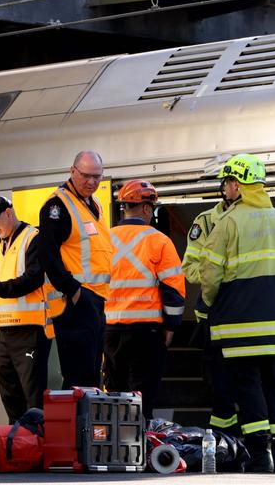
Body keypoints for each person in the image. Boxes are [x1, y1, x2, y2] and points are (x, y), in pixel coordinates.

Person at [199, 153, 275, 473]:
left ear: (239, 186)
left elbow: (210, 275)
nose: (225, 188)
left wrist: (209, 302)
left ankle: (260, 455)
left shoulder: (228, 221)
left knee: (247, 385)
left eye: (228, 182)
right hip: (274, 322)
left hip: (238, 324)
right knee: (272, 385)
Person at [102, 179, 186, 419]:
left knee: (114, 398)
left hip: (110, 332)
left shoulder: (105, 240)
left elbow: (94, 285)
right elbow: (174, 291)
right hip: (147, 333)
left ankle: (116, 451)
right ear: (147, 209)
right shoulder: (159, 240)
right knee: (142, 398)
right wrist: (170, 329)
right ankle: (139, 450)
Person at [0, 196, 54, 423]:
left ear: (9, 213)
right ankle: (18, 440)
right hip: (6, 332)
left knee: (32, 393)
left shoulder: (33, 238)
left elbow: (32, 279)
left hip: (31, 331)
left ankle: (37, 442)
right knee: (7, 387)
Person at [33, 150, 113, 388]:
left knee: (91, 375)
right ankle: (74, 425)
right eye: (86, 175)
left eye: (97, 177)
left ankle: (86, 424)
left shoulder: (92, 203)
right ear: (72, 171)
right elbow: (47, 254)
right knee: (79, 376)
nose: (91, 182)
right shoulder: (57, 205)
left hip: (95, 300)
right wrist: (73, 290)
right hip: (75, 302)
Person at [181, 174, 242, 461]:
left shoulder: (251, 219)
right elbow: (189, 266)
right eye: (231, 183)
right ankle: (225, 447)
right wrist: (212, 280)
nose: (235, 188)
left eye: (239, 183)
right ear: (223, 187)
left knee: (249, 383)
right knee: (219, 386)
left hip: (243, 311)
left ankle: (246, 448)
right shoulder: (205, 221)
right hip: (212, 313)